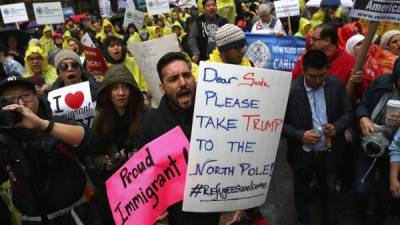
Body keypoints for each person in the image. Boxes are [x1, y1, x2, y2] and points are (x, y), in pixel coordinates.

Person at [0, 76, 102, 225]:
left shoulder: (53, 121)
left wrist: (42, 125)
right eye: (11, 99)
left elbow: (89, 139)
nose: (21, 104)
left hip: (75, 215)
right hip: (33, 220)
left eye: (26, 96)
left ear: (36, 96)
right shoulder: (3, 136)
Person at [139, 52, 220, 225]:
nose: (183, 83)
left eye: (186, 75)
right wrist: (156, 212)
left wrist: (236, 204)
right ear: (162, 87)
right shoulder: (150, 124)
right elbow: (146, 176)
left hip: (216, 210)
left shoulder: (215, 111)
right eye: (174, 78)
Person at [282, 49, 353, 225]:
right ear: (304, 71)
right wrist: (300, 135)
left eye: (322, 75)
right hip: (301, 155)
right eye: (313, 76)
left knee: (329, 192)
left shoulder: (336, 85)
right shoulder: (291, 90)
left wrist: (336, 127)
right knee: (301, 192)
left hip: (329, 153)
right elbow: (279, 124)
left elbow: (348, 113)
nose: (318, 81)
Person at [90, 64, 144, 225]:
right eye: (115, 88)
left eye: (125, 88)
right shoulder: (99, 120)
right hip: (114, 188)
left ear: (132, 91)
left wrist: (140, 156)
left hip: (141, 185)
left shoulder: (145, 114)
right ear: (108, 93)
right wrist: (106, 164)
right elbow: (93, 154)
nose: (121, 93)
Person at [354, 57, 400, 225]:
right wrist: (363, 117)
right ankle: (359, 216)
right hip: (369, 140)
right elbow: (362, 104)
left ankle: (378, 217)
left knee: (385, 193)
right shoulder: (381, 83)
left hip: (395, 150)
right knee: (362, 189)